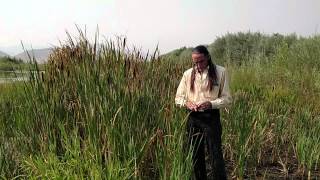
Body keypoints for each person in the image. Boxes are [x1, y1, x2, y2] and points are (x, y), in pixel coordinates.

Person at [175, 45, 231, 180]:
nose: (198, 65)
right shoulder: (187, 74)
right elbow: (178, 98)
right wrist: (187, 103)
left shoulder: (220, 72)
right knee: (195, 155)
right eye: (195, 62)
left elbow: (227, 99)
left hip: (211, 117)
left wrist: (211, 104)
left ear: (208, 58)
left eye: (201, 61)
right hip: (192, 117)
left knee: (215, 154)